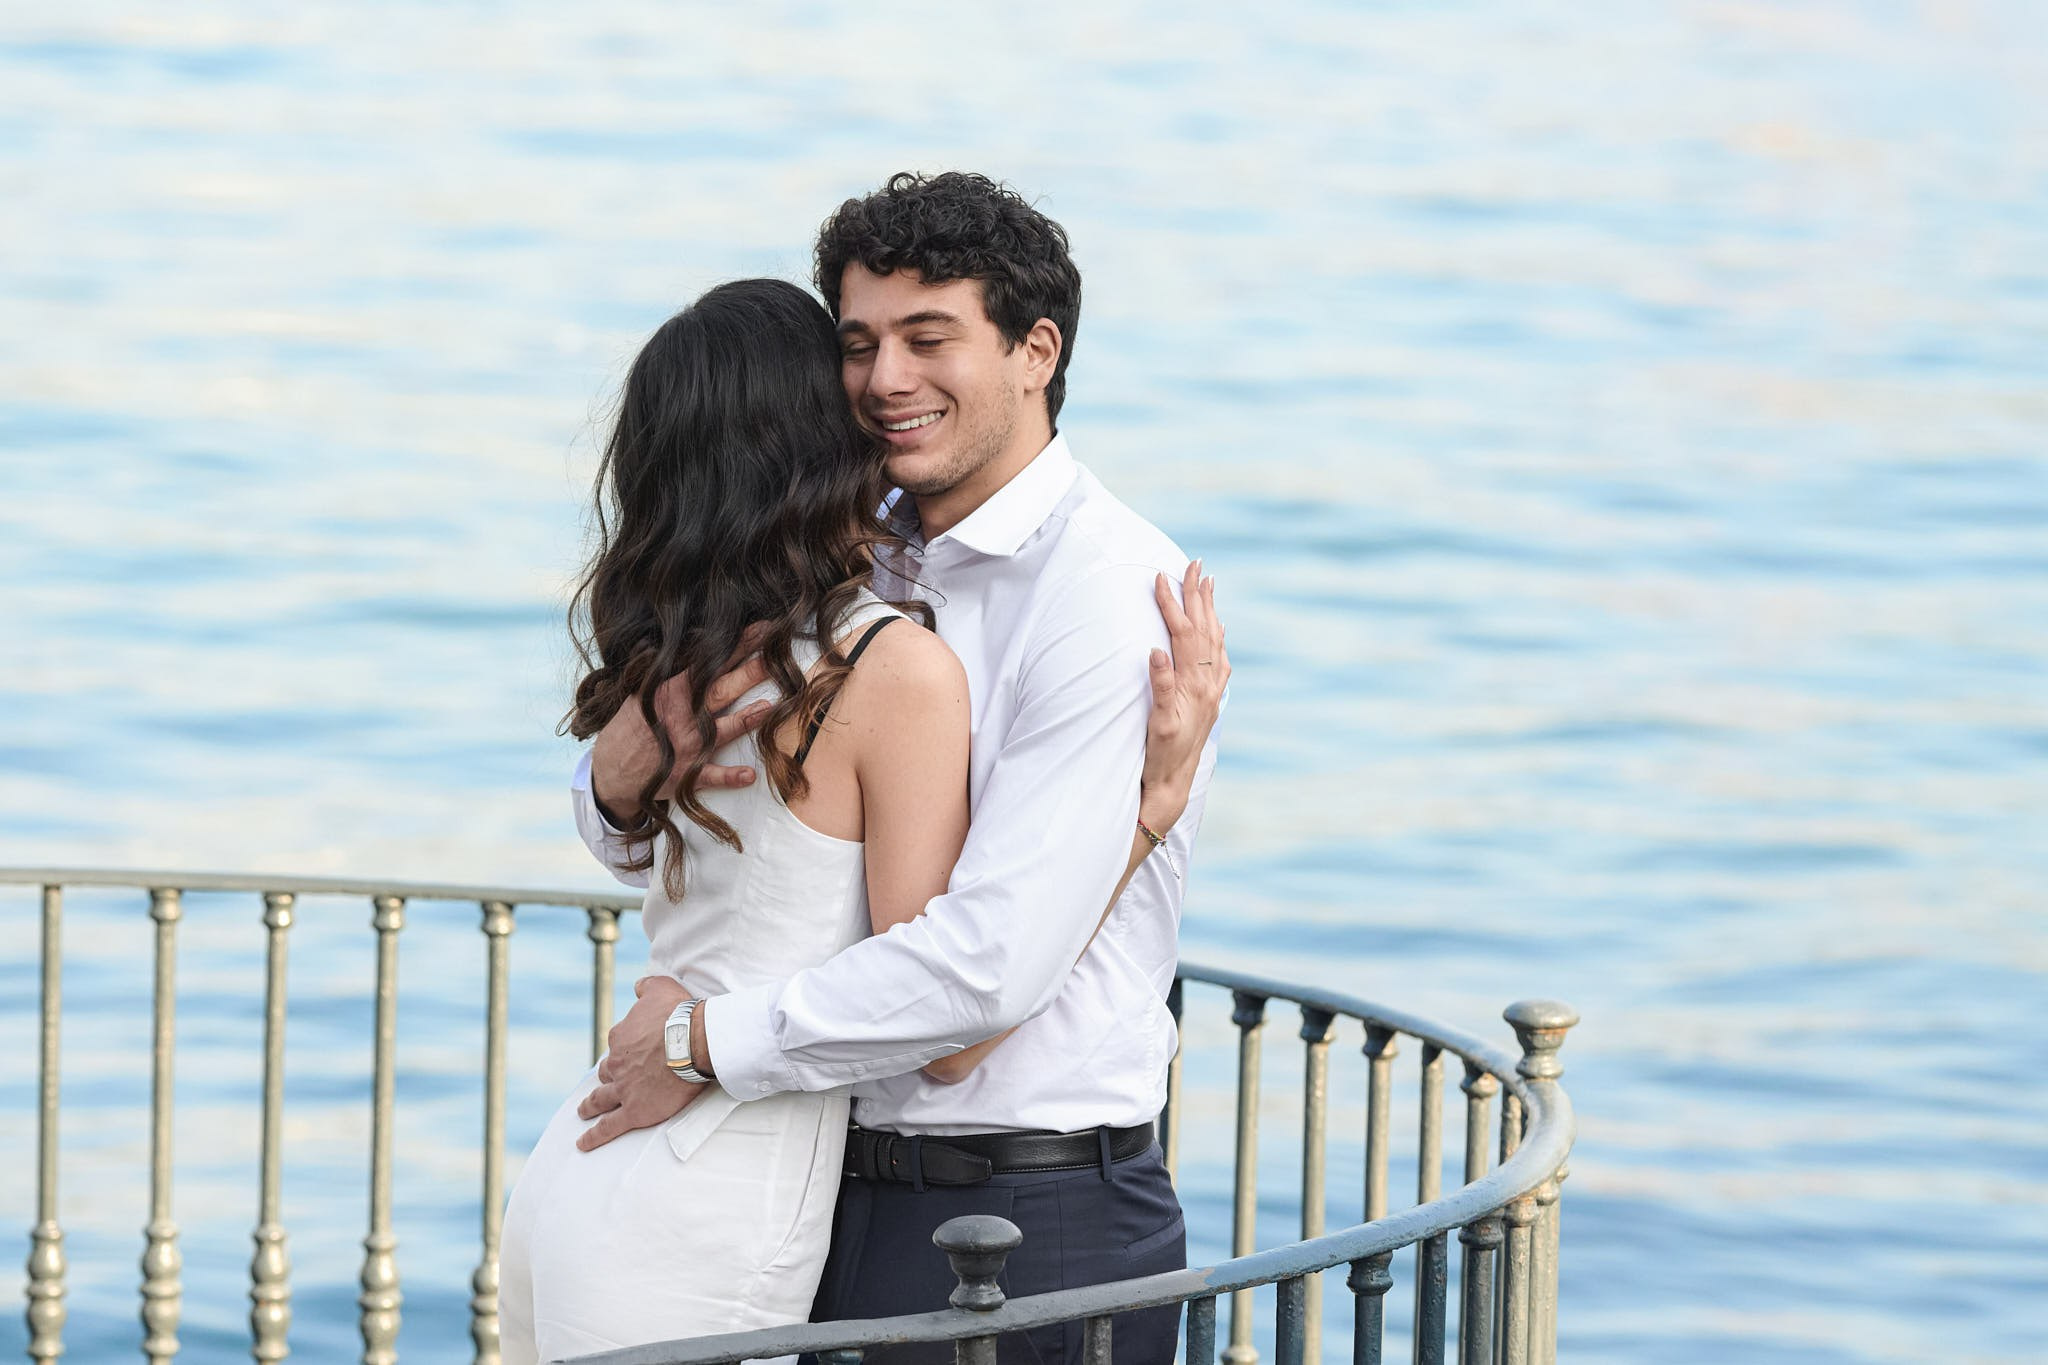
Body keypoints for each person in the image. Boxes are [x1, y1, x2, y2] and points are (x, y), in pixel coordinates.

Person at [566, 172, 1225, 1364]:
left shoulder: (1103, 597)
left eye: (929, 339)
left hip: (1028, 1214)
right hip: (814, 1181)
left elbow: (983, 974)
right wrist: (614, 785)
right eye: (860, 344)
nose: (883, 381)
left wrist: (699, 1040)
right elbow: (704, 823)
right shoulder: (837, 542)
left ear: (1036, 350)